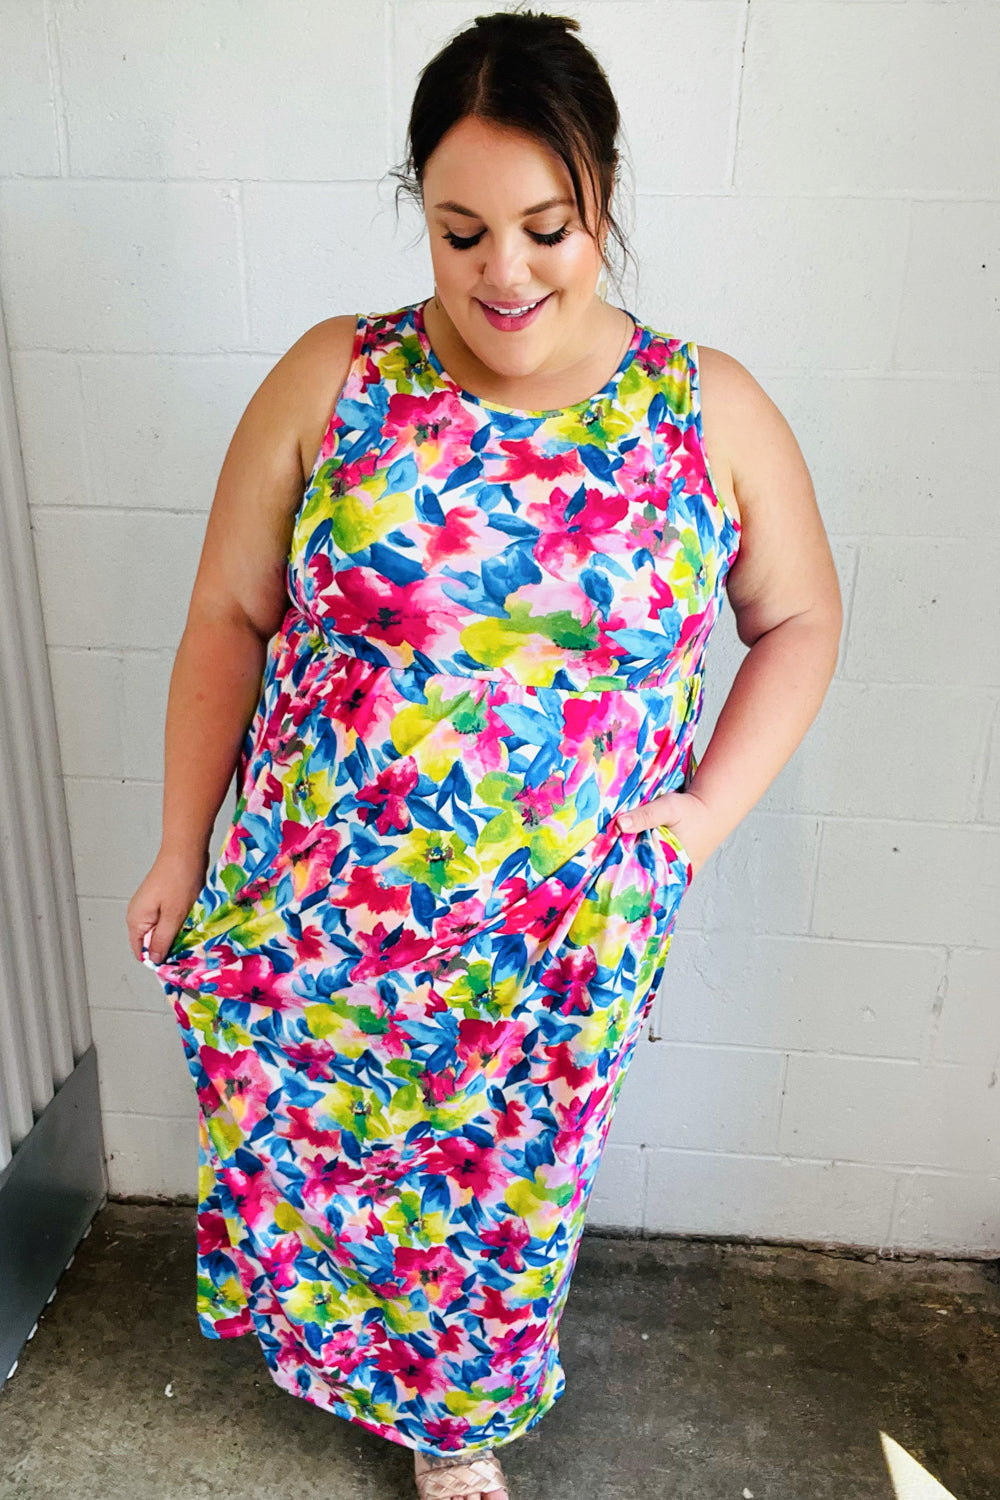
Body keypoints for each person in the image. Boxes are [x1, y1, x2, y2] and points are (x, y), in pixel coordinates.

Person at [126, 9, 841, 1498]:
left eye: (544, 229)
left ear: (603, 200)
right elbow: (226, 617)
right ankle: (364, 1375)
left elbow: (802, 621)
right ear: (420, 211)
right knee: (324, 1170)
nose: (503, 273)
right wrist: (181, 844)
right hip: (322, 908)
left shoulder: (704, 408)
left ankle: (453, 1429)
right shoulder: (337, 375)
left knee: (501, 1208)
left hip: (558, 931)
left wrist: (702, 820)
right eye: (461, 233)